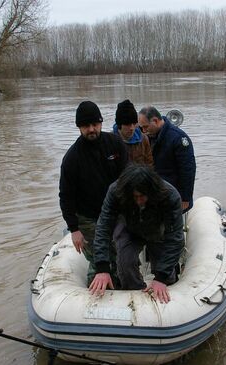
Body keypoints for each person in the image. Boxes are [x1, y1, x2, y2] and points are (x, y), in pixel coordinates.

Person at [88, 164, 184, 304]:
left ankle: (166, 292)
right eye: (135, 197)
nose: (139, 200)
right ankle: (135, 295)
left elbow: (175, 237)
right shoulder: (115, 191)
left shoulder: (170, 195)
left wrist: (161, 278)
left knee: (165, 272)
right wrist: (102, 267)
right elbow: (103, 226)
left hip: (157, 229)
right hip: (130, 227)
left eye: (142, 196)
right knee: (124, 263)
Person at [59, 100, 128, 286]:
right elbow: (65, 196)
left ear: (101, 123)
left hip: (116, 211)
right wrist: (74, 229)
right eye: (85, 125)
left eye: (95, 124)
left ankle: (122, 286)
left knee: (121, 253)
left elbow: (128, 177)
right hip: (88, 217)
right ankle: (94, 293)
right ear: (79, 127)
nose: (91, 129)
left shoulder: (115, 144)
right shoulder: (72, 158)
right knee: (100, 258)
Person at [138, 106, 196, 212]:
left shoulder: (178, 138)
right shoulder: (147, 137)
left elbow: (187, 170)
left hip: (173, 194)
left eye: (146, 127)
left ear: (155, 121)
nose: (144, 131)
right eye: (142, 128)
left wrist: (185, 198)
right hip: (154, 194)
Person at [112, 99, 153, 166]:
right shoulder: (110, 142)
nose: (132, 128)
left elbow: (149, 164)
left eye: (134, 124)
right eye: (127, 124)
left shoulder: (144, 139)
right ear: (119, 125)